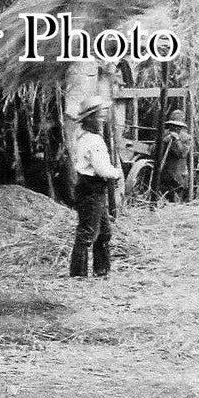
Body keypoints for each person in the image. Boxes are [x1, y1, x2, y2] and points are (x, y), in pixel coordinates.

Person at [70, 95, 121, 278]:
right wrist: (116, 173)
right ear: (90, 118)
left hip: (89, 187)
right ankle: (78, 275)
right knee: (87, 233)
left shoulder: (84, 136)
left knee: (104, 231)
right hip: (91, 188)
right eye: (99, 116)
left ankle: (101, 270)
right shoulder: (93, 140)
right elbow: (102, 169)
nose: (102, 119)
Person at [160, 110, 193, 201]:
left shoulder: (186, 138)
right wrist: (163, 142)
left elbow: (182, 153)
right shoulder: (163, 135)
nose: (174, 128)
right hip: (164, 174)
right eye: (172, 126)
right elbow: (153, 151)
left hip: (179, 175)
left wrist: (177, 140)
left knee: (177, 201)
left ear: (181, 127)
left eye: (177, 126)